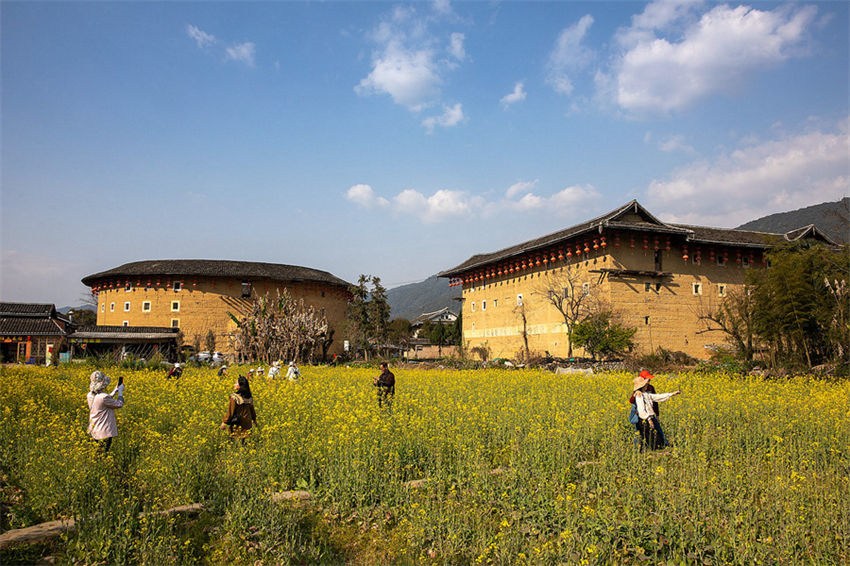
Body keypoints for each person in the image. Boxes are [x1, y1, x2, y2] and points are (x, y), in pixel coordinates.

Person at [633, 374, 680, 451]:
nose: (647, 385)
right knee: (650, 438)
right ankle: (647, 451)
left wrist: (672, 394)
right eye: (645, 384)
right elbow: (641, 410)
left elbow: (657, 397)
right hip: (645, 419)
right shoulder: (639, 395)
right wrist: (649, 419)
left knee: (656, 437)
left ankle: (654, 449)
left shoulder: (646, 394)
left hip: (649, 417)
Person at [87, 371, 125, 453]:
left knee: (96, 454)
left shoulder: (90, 395)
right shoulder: (104, 397)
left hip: (94, 430)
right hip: (103, 431)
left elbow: (101, 402)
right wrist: (120, 392)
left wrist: (114, 391)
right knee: (103, 453)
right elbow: (119, 404)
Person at [220, 375, 257, 444]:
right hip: (247, 423)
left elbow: (231, 411)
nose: (234, 384)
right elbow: (252, 411)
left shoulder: (234, 397)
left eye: (236, 383)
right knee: (244, 442)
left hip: (238, 423)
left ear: (240, 386)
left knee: (235, 441)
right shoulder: (249, 397)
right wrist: (254, 420)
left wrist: (224, 422)